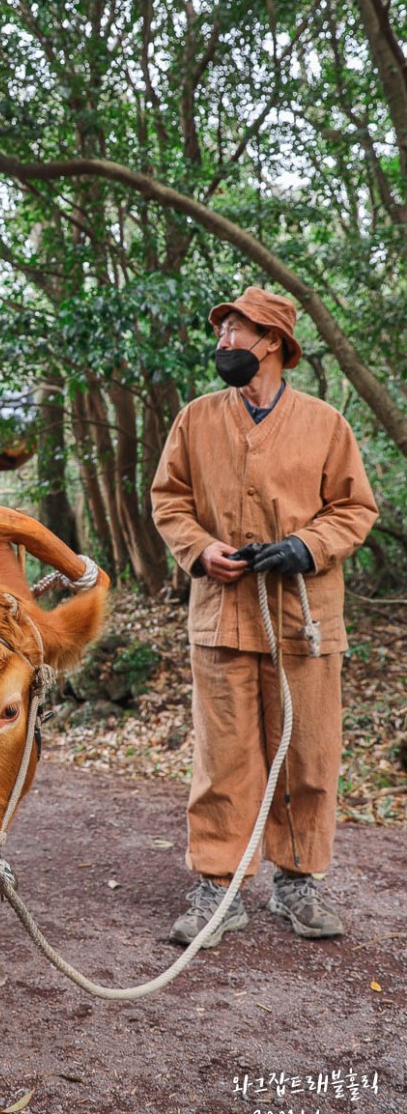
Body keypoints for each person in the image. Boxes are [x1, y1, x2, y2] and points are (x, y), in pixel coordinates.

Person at [150, 286, 377, 947]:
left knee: (308, 754)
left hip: (306, 622)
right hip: (222, 616)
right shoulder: (195, 419)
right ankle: (218, 888)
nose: (222, 342)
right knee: (224, 757)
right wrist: (200, 549)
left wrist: (306, 546)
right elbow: (169, 500)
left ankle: (298, 882)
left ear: (271, 341)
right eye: (221, 330)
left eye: (235, 331)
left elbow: (355, 509)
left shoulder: (326, 424)